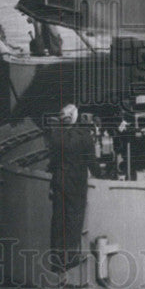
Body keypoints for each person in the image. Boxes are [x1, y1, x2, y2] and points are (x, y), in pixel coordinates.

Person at [47, 103, 95, 271]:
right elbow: (91, 162)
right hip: (76, 182)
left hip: (59, 180)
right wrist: (101, 175)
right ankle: (71, 257)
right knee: (74, 218)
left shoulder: (56, 136)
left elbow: (52, 162)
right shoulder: (84, 136)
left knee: (59, 219)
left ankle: (57, 260)